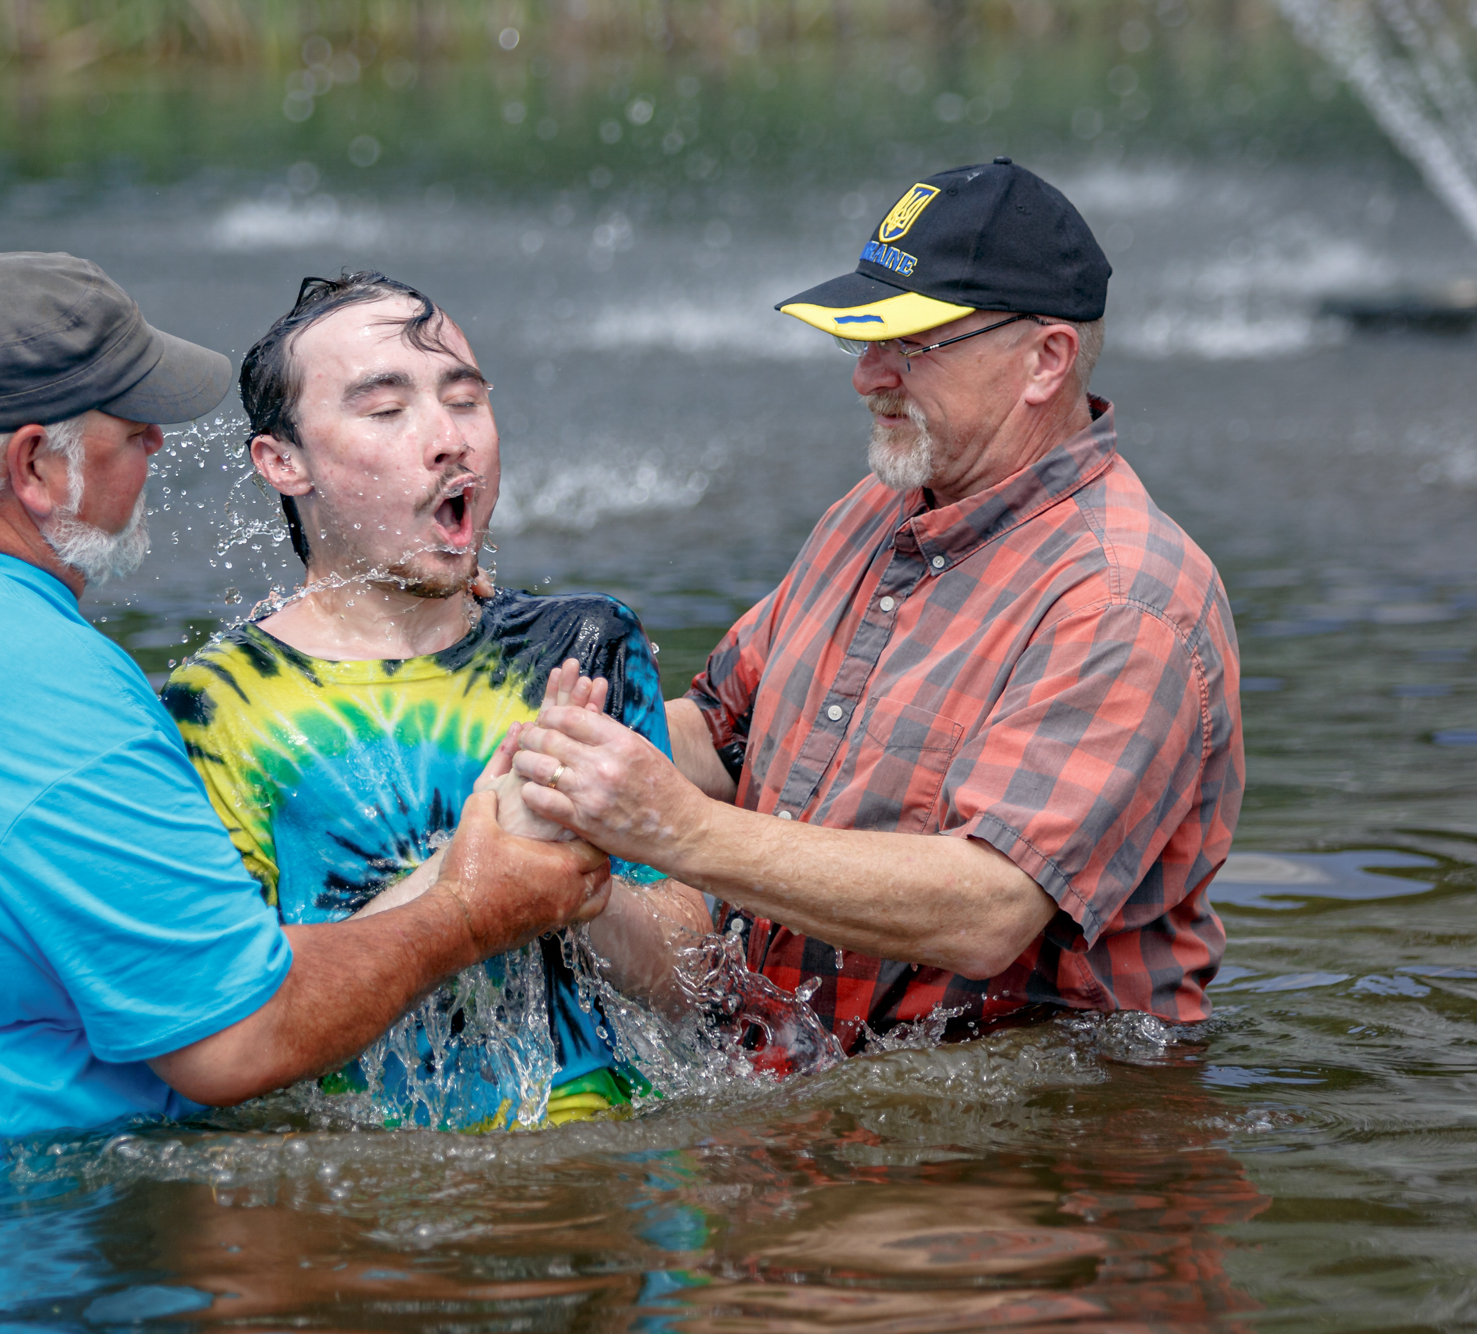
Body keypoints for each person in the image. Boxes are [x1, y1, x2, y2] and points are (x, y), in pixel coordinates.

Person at [0, 252, 608, 1197]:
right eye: (130, 426)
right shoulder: (40, 689)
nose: (158, 444)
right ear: (37, 466)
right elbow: (237, 1041)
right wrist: (478, 906)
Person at [508, 161, 1242, 1053]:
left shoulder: (1126, 599)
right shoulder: (877, 509)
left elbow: (989, 908)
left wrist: (671, 826)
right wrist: (530, 732)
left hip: (1032, 1142)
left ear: (1044, 360)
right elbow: (714, 734)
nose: (867, 376)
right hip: (812, 1078)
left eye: (910, 344)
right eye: (860, 340)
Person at [163, 272, 711, 1130]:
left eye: (465, 400)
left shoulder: (584, 648)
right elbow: (236, 1033)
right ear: (284, 461)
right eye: (386, 412)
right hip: (377, 1210)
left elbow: (692, 987)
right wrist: (483, 863)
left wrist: (582, 877)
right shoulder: (222, 704)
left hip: (621, 1172)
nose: (448, 439)